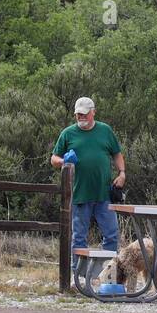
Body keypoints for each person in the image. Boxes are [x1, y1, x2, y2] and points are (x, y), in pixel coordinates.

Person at [51, 97, 125, 272]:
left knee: (112, 235)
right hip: (79, 193)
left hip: (104, 193)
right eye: (78, 114)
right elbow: (53, 158)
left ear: (93, 112)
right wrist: (64, 161)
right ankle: (78, 276)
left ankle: (107, 274)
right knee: (78, 238)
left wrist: (122, 173)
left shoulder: (105, 131)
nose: (81, 117)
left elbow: (117, 153)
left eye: (84, 114)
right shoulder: (68, 133)